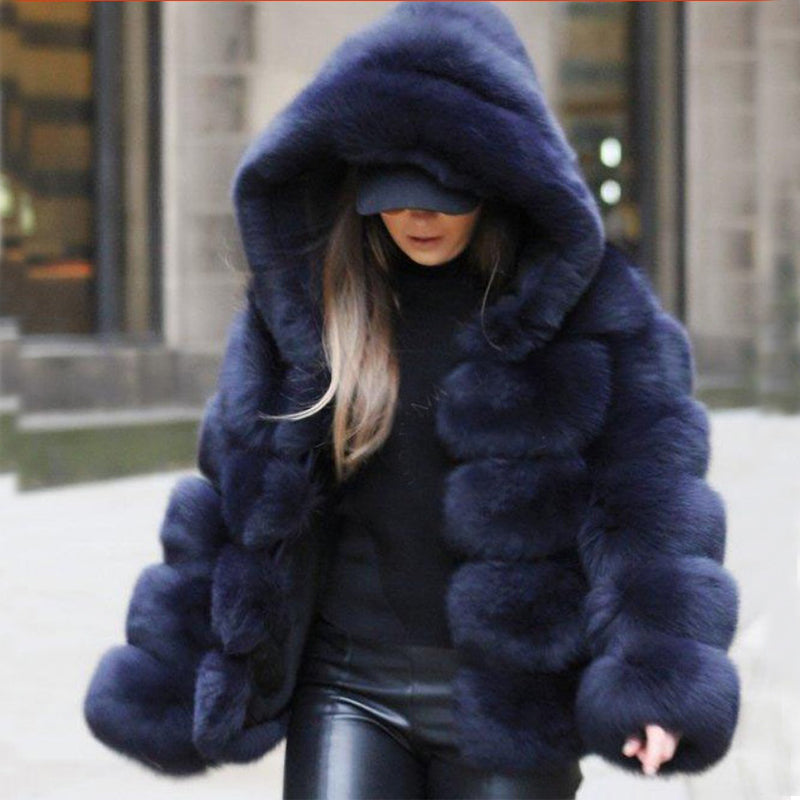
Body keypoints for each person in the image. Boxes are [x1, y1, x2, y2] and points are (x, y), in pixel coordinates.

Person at [83, 3, 741, 799]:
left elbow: (654, 508)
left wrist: (659, 678)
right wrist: (171, 669)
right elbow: (233, 504)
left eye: (443, 193)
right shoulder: (310, 313)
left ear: (498, 181)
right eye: (392, 192)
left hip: (512, 705)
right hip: (346, 686)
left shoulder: (592, 314)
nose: (416, 216)